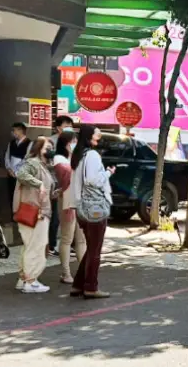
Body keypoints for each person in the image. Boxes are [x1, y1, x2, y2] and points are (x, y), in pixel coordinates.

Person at [70, 125, 115, 299]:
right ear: (90, 136)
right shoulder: (93, 155)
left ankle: (78, 285)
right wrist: (108, 173)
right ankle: (91, 287)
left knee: (91, 248)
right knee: (95, 250)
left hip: (82, 207)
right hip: (95, 208)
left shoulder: (78, 155)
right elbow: (93, 180)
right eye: (97, 132)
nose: (100, 134)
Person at [14, 137, 56, 294]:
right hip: (35, 212)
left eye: (51, 146)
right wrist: (38, 184)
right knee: (36, 246)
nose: (50, 149)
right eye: (47, 147)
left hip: (37, 210)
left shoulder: (43, 165)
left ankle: (23, 278)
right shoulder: (33, 163)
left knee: (29, 246)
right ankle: (31, 281)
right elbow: (21, 174)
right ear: (38, 148)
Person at [54, 131, 86, 285]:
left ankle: (83, 270)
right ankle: (66, 273)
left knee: (81, 239)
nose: (74, 144)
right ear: (65, 143)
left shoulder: (74, 158)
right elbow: (69, 178)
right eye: (72, 141)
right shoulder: (59, 159)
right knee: (67, 238)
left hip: (80, 201)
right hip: (67, 200)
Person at [47, 116, 74, 257]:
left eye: (70, 125)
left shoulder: (72, 141)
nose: (69, 127)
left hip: (69, 184)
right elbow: (50, 163)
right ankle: (52, 245)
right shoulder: (51, 141)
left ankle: (68, 243)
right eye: (66, 125)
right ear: (58, 127)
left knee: (69, 217)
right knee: (56, 217)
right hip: (56, 183)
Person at [5, 122, 31, 207]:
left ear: (21, 130)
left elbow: (27, 159)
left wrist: (16, 171)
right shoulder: (11, 143)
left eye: (14, 130)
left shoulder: (29, 143)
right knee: (11, 195)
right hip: (11, 174)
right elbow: (7, 156)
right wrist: (9, 169)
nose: (13, 133)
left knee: (22, 197)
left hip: (22, 174)